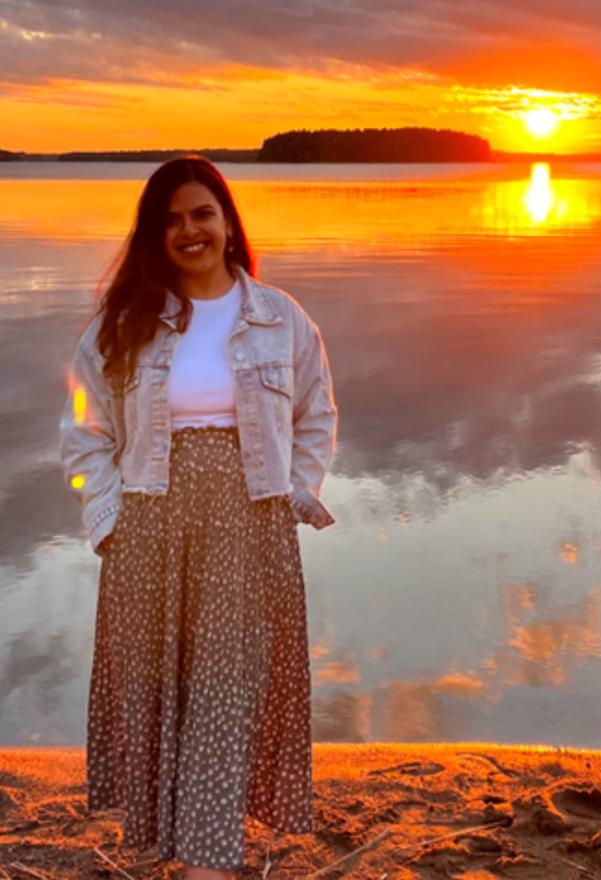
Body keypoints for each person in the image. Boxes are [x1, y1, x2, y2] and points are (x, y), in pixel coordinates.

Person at [59, 155, 338, 880]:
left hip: (249, 530)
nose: (190, 231)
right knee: (158, 689)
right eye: (172, 220)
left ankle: (209, 862)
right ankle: (172, 842)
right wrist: (109, 518)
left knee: (227, 686)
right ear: (155, 235)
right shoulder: (122, 326)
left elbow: (316, 413)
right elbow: (84, 431)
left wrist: (293, 494)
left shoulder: (281, 318)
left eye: (202, 214)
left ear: (227, 222)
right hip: (148, 528)